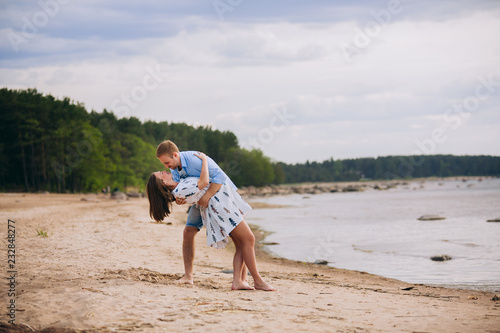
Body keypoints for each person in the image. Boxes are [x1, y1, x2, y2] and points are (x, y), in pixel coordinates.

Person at [146, 145, 275, 291]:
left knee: (242, 241)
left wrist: (183, 197)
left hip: (219, 199)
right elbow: (195, 185)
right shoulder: (176, 172)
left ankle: (240, 280)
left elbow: (219, 177)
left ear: (175, 155)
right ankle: (255, 280)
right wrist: (180, 198)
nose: (166, 168)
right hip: (218, 206)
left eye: (166, 164)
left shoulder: (194, 160)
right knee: (247, 239)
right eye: (163, 169)